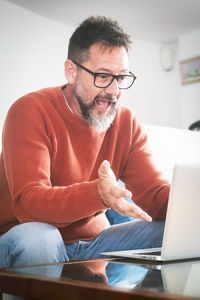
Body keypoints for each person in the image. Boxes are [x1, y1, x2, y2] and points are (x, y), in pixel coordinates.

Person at [0, 16, 170, 268]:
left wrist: (190, 204)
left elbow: (154, 195)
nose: (113, 91)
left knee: (172, 231)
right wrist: (97, 194)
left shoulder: (127, 122)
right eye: (103, 76)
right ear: (71, 71)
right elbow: (30, 204)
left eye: (121, 77)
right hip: (26, 236)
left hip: (94, 243)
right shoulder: (30, 110)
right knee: (40, 237)